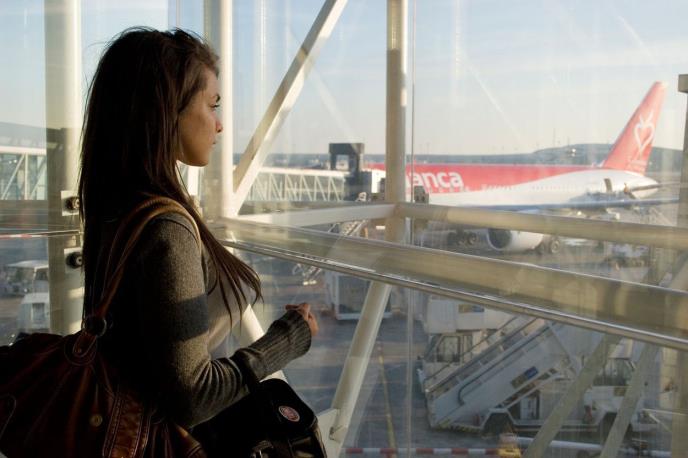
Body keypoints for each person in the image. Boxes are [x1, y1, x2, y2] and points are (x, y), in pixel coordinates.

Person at [77, 26, 318, 434]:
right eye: (212, 105)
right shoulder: (166, 229)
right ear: (166, 110)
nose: (220, 125)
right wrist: (290, 337)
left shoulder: (118, 207)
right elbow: (193, 396)